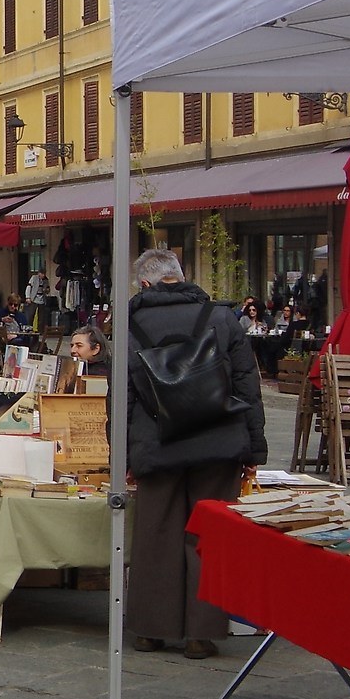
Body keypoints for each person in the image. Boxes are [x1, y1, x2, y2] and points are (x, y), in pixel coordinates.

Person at [124, 248, 265, 661]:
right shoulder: (221, 318)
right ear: (180, 277)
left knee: (155, 534)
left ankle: (153, 628)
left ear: (146, 284)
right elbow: (246, 385)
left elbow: (124, 396)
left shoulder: (132, 324)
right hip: (218, 440)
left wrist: (124, 456)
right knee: (208, 536)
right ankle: (201, 634)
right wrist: (254, 448)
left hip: (157, 440)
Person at [68, 325, 111, 391]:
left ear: (96, 349)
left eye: (79, 346)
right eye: (72, 346)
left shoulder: (103, 374)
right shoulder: (73, 369)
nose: (72, 350)